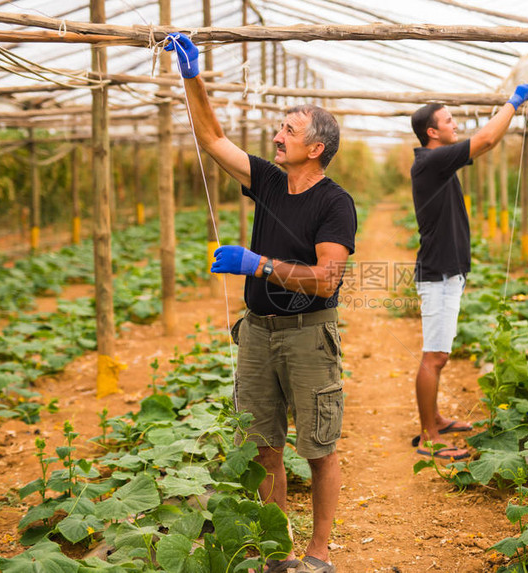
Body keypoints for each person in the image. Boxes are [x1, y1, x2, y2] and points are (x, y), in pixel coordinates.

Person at [167, 34, 356, 573]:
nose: (277, 136)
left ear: (316, 147)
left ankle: (318, 553)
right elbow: (212, 138)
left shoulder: (335, 203)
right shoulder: (269, 182)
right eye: (280, 129)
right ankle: (281, 551)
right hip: (257, 330)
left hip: (307, 334)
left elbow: (325, 280)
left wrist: (261, 265)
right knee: (263, 446)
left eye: (289, 132)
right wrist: (192, 76)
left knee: (317, 446)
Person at [409, 84, 528, 460]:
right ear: (432, 132)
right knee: (434, 356)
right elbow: (485, 140)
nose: (455, 124)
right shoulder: (431, 161)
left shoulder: (438, 161)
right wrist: (512, 104)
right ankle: (429, 435)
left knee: (440, 354)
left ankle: (435, 419)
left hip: (447, 272)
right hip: (437, 274)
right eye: (449, 120)